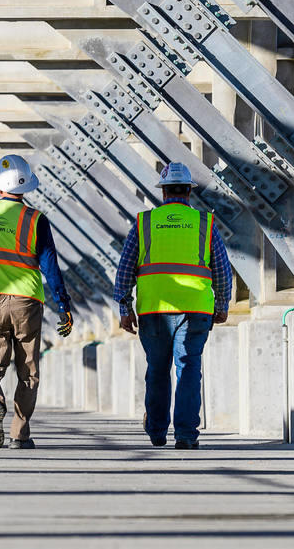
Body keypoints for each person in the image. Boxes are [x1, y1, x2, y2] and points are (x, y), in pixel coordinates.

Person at [114, 162, 234, 450]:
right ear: (189, 192)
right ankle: (186, 435)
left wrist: (124, 307)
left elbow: (125, 269)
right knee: (188, 368)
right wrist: (222, 303)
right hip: (195, 308)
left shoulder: (145, 223)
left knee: (157, 369)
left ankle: (157, 431)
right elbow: (221, 269)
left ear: (164, 192)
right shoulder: (205, 223)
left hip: (154, 308)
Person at [0, 153, 74, 450]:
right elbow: (50, 267)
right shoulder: (36, 220)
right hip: (28, 302)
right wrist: (64, 306)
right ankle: (19, 434)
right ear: (26, 188)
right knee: (28, 371)